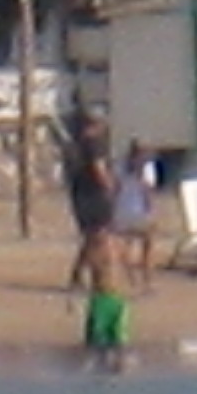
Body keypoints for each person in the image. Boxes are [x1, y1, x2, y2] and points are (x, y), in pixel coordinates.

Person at [65, 141, 117, 290]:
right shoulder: (94, 146)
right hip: (94, 197)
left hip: (81, 196)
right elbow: (99, 170)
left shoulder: (74, 147)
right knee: (99, 238)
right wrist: (111, 187)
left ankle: (78, 274)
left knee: (92, 238)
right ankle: (98, 278)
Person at [81, 227, 130, 371]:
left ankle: (119, 366)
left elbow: (127, 267)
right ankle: (99, 365)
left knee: (120, 338)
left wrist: (135, 284)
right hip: (100, 298)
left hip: (117, 298)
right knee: (98, 340)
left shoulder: (119, 247)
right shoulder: (90, 249)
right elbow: (78, 271)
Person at [110, 144, 158, 289]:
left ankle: (132, 279)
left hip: (122, 211)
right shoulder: (147, 170)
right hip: (139, 212)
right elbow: (148, 194)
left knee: (126, 246)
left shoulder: (119, 167)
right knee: (148, 246)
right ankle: (147, 280)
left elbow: (115, 190)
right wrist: (152, 212)